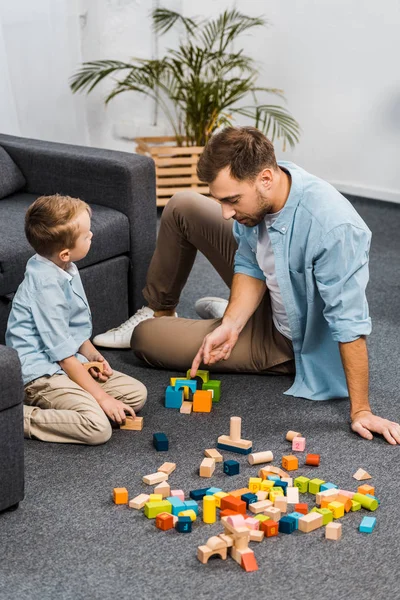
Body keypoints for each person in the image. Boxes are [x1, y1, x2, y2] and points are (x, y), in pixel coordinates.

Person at [94, 126, 400, 445]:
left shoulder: (334, 229)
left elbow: (348, 323)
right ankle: (177, 310)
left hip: (288, 340)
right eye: (221, 200)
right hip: (271, 291)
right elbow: (250, 261)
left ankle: (229, 319)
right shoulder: (265, 193)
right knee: (184, 205)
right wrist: (232, 324)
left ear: (265, 179)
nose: (226, 213)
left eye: (233, 200)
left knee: (146, 338)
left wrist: (361, 411)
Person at [6, 194, 147, 444]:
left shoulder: (64, 267)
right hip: (41, 375)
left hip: (67, 363)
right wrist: (102, 398)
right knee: (97, 428)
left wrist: (93, 355)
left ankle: (78, 400)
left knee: (136, 395)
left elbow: (71, 330)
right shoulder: (45, 287)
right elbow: (64, 357)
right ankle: (18, 417)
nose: (91, 235)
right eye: (86, 235)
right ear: (64, 253)